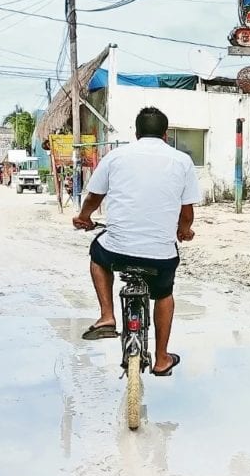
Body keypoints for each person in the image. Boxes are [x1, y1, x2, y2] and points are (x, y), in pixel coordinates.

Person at [72, 107, 201, 376]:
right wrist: (183, 231)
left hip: (117, 250)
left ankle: (107, 315)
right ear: (165, 135)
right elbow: (187, 213)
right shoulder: (182, 161)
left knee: (97, 254)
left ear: (136, 133)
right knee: (164, 294)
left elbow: (94, 198)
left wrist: (84, 217)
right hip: (161, 256)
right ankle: (162, 358)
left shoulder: (116, 156)